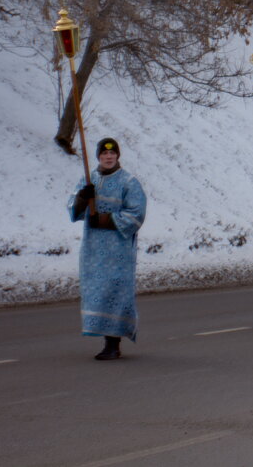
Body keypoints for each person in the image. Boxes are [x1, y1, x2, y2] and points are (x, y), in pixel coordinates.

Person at [67, 138, 147, 360]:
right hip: (93, 251)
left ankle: (113, 344)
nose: (108, 157)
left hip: (118, 251)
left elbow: (136, 215)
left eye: (112, 154)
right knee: (98, 293)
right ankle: (106, 339)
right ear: (98, 156)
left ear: (118, 156)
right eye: (104, 154)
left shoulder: (129, 182)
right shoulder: (89, 178)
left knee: (115, 293)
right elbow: (73, 208)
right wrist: (83, 199)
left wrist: (103, 220)